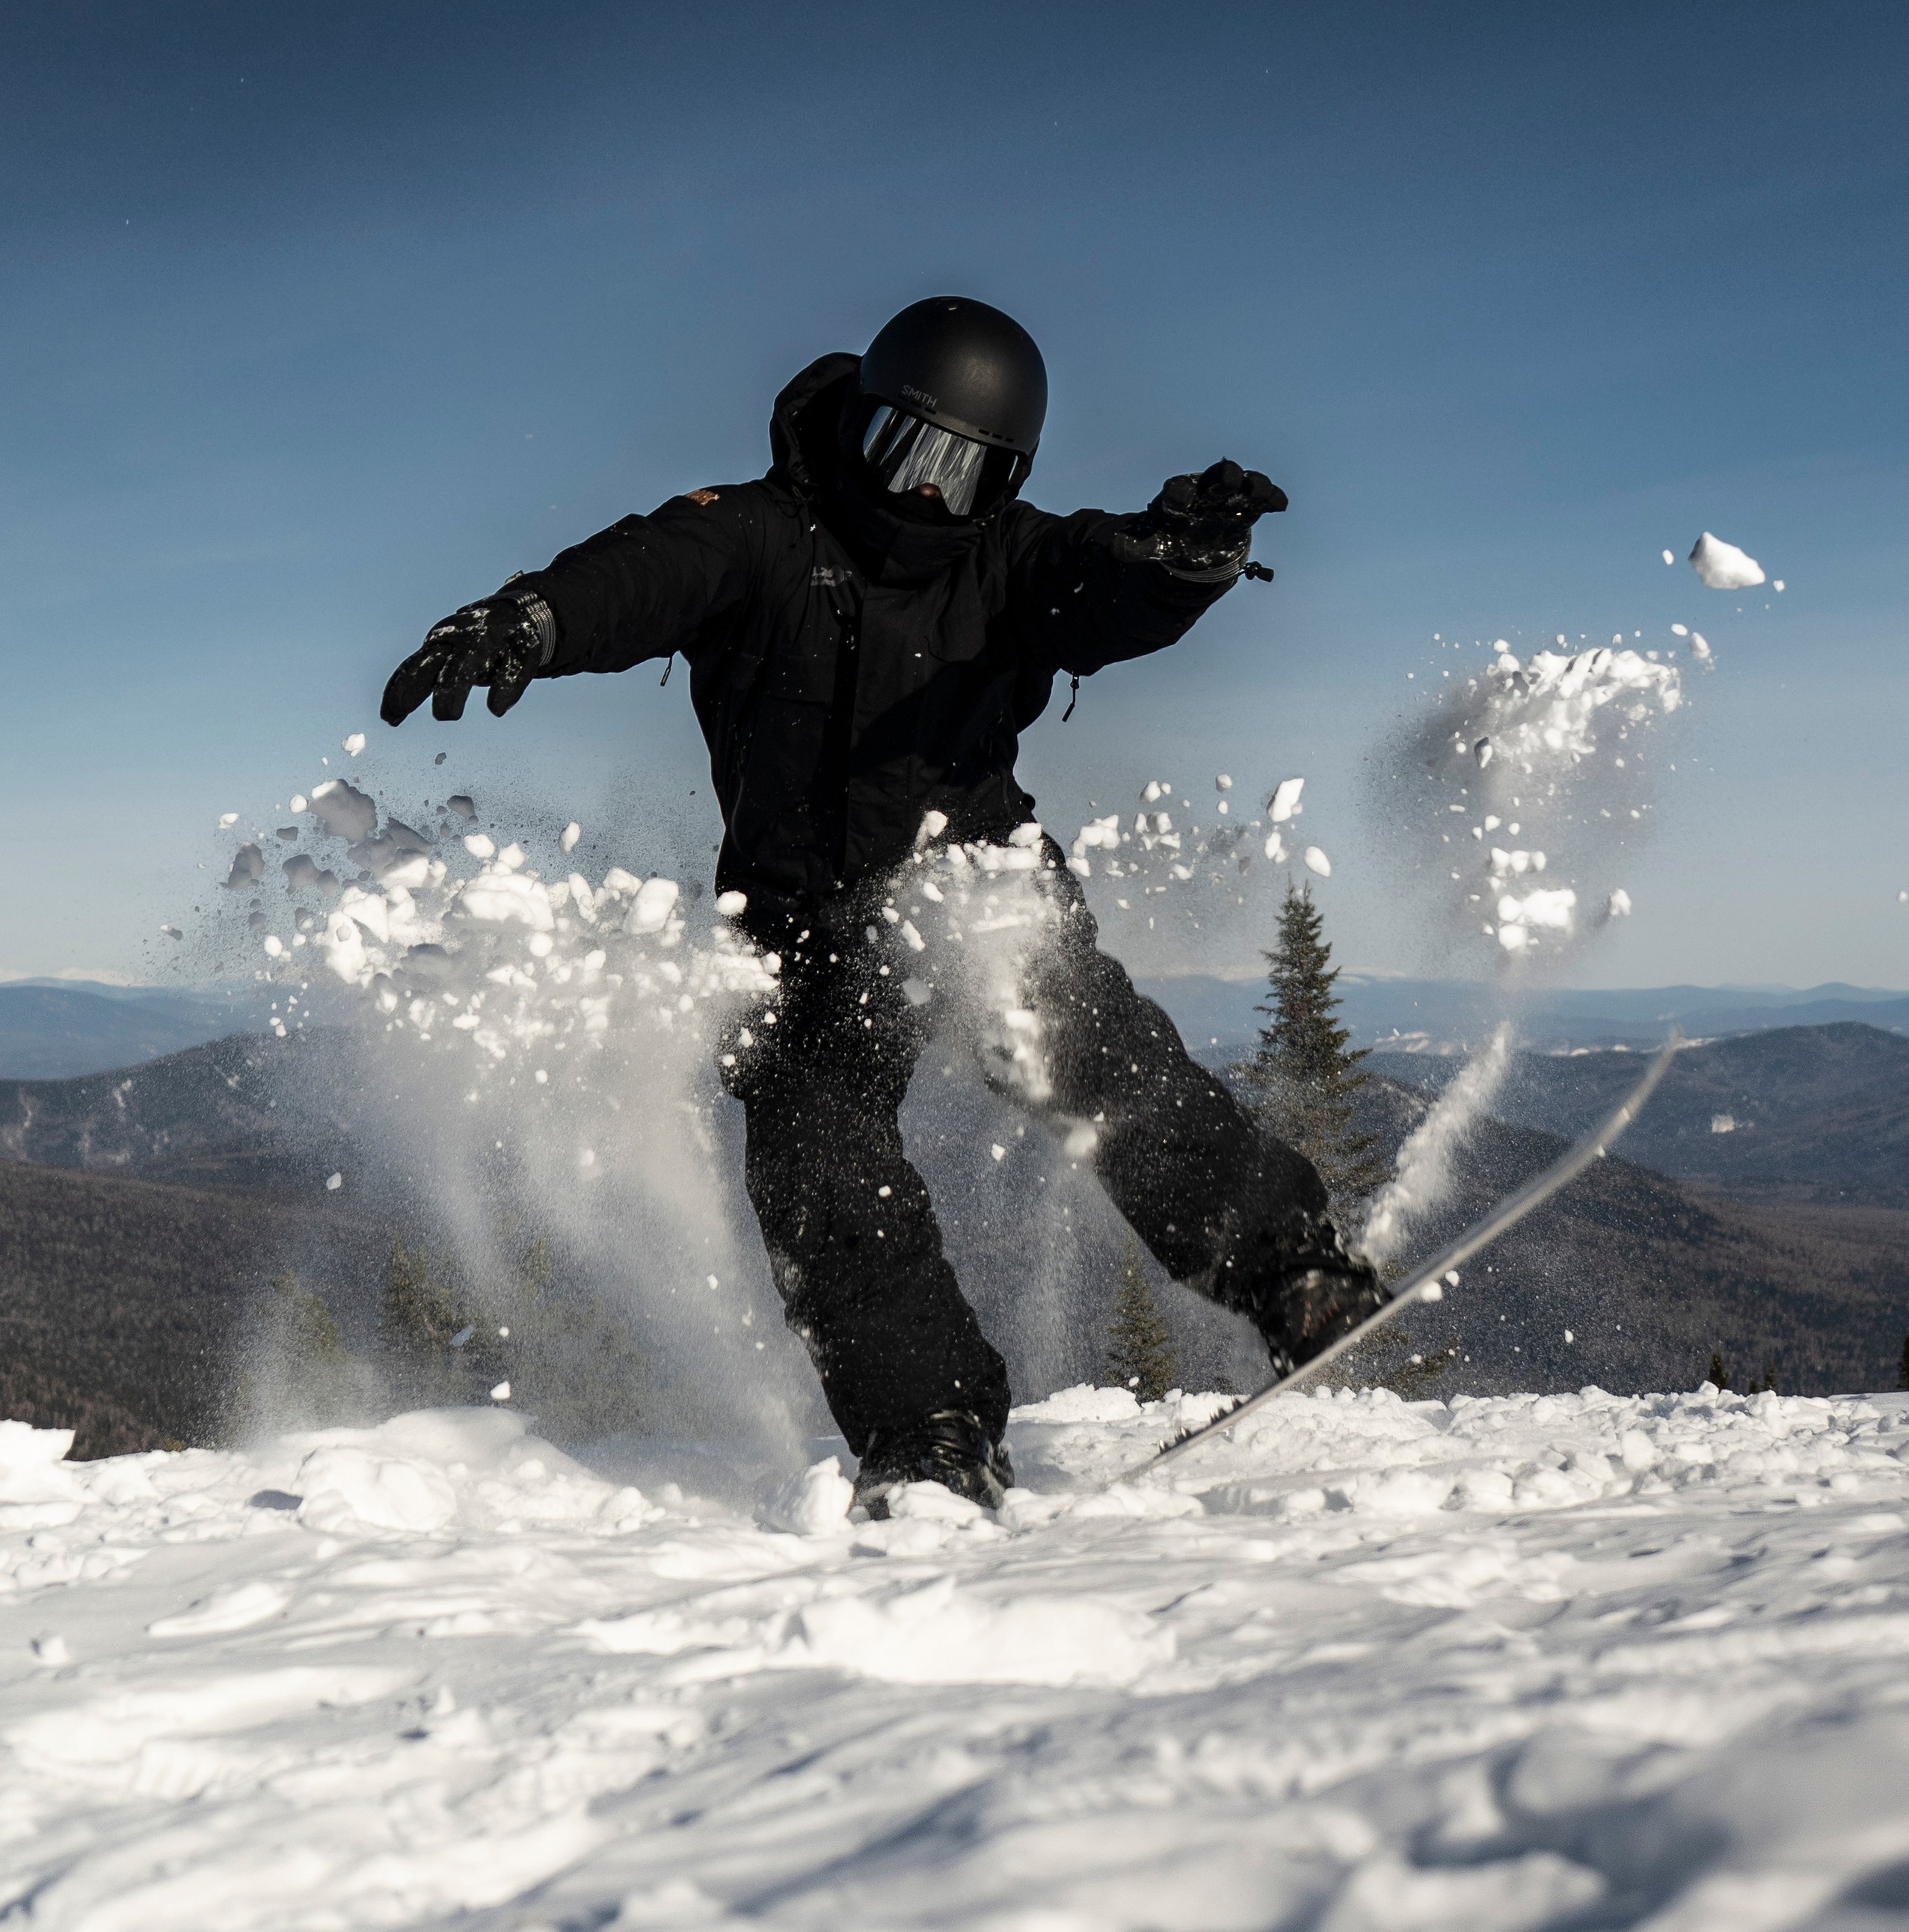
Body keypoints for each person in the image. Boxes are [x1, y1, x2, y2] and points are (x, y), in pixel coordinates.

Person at [381, 296, 1383, 1511]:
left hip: (971, 881)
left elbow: (1101, 582)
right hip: (800, 926)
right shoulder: (759, 535)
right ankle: (930, 1433)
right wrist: (532, 621)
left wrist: (1182, 561)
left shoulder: (1010, 562)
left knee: (1089, 1047)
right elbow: (645, 571)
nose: (921, 495)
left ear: (1001, 484)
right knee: (816, 1162)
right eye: (903, 450)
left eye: (960, 475)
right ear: (856, 424)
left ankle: (1289, 1270)